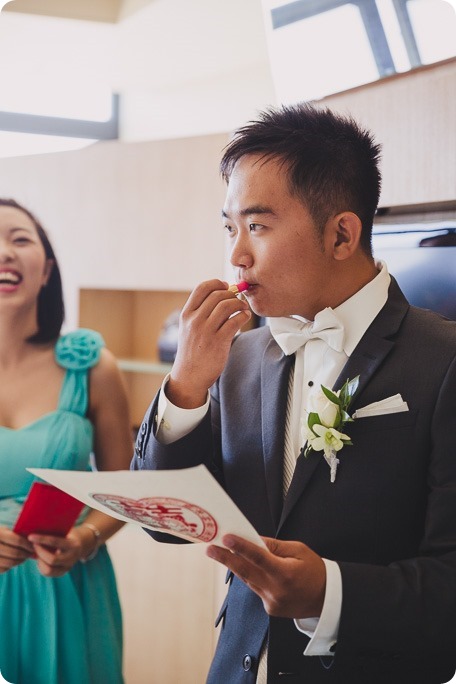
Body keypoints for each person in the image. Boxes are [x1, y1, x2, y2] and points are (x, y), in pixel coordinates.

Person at [131, 104, 456, 683]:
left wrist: (329, 591)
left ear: (341, 234)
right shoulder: (240, 355)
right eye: (230, 228)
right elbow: (166, 522)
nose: (235, 255)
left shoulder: (444, 361)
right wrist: (184, 387)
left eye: (257, 226)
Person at [0, 199, 133, 684]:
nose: (5, 253)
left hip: (69, 590)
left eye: (19, 239)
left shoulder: (94, 367)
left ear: (46, 269)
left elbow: (123, 488)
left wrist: (84, 538)